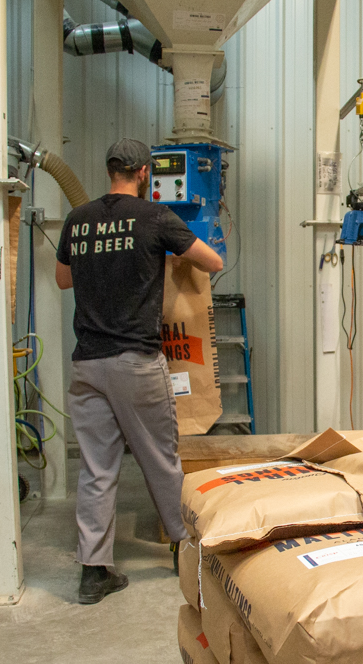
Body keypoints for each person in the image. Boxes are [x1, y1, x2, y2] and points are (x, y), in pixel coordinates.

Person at [56, 138, 223, 604]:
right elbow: (213, 260)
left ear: (109, 170)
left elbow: (63, 278)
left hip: (86, 363)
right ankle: (187, 550)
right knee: (160, 459)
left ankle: (93, 571)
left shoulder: (78, 219)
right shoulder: (154, 218)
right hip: (135, 362)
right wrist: (162, 253)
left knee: (96, 468)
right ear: (145, 174)